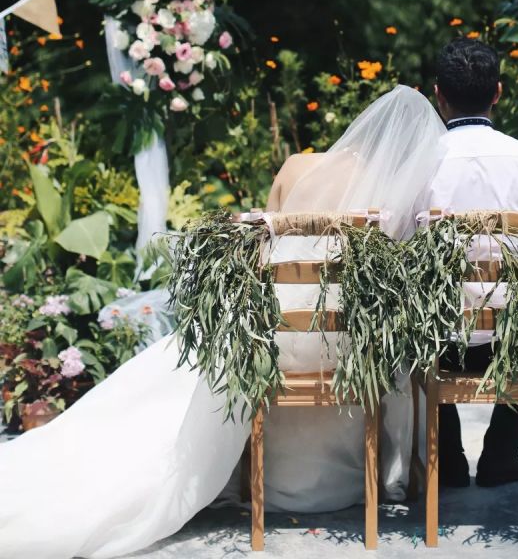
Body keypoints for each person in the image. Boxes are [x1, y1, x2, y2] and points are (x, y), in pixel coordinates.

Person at [0, 85, 445, 559]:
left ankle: (233, 471)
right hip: (340, 349)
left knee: (173, 369)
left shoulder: (297, 165)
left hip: (274, 335)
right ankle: (385, 474)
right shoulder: (391, 194)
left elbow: (259, 247)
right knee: (396, 360)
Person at [420, 37, 518, 490]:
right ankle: (501, 453)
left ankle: (450, 457)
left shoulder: (419, 164)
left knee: (408, 319)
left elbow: (399, 254)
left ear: (437, 93)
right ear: (498, 92)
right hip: (517, 344)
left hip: (441, 342)